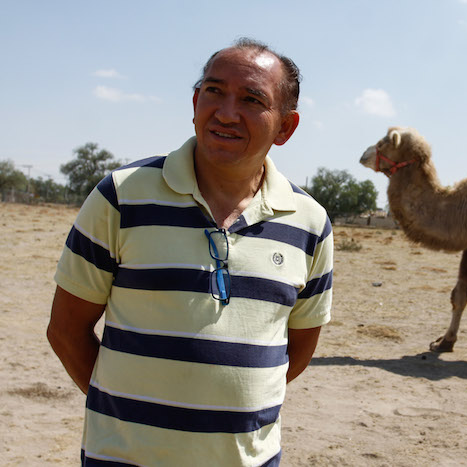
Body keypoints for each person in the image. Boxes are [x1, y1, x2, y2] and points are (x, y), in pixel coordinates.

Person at [47, 38, 333, 466]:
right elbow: (66, 331)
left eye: (252, 99)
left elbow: (295, 352)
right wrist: (128, 415)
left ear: (285, 127)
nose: (227, 112)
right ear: (196, 101)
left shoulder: (309, 223)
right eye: (214, 91)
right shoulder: (122, 197)